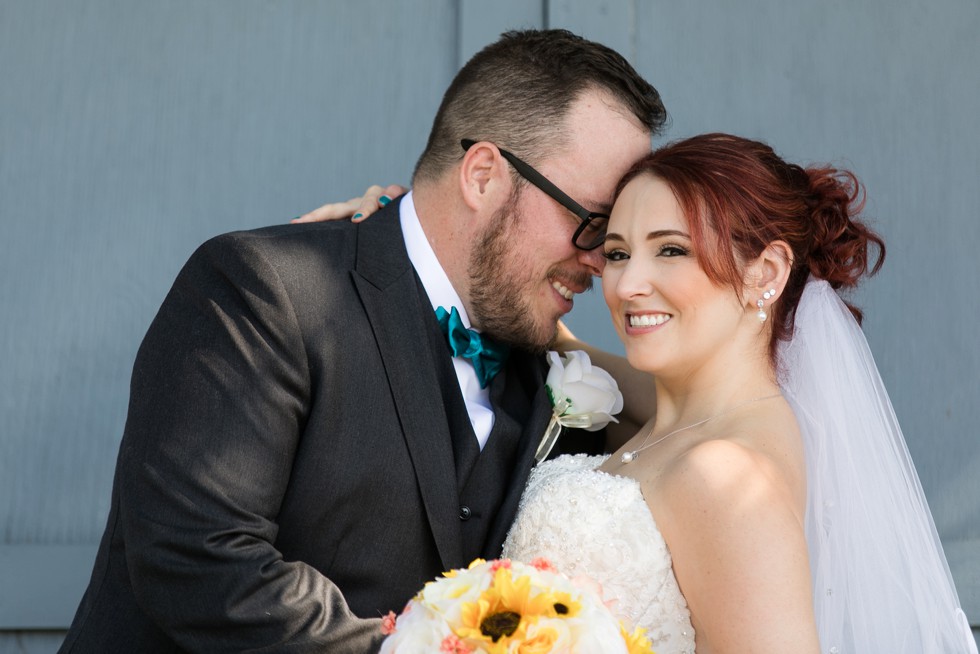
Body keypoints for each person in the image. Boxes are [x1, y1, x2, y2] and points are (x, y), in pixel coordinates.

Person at [58, 30, 667, 653]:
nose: (602, 264)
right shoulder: (266, 290)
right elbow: (196, 557)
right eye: (589, 222)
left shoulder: (554, 371)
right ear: (483, 175)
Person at [320, 134, 977, 652]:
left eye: (670, 252)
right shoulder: (676, 418)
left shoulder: (727, 475)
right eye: (615, 251)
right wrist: (403, 238)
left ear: (767, 272)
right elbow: (559, 345)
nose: (628, 285)